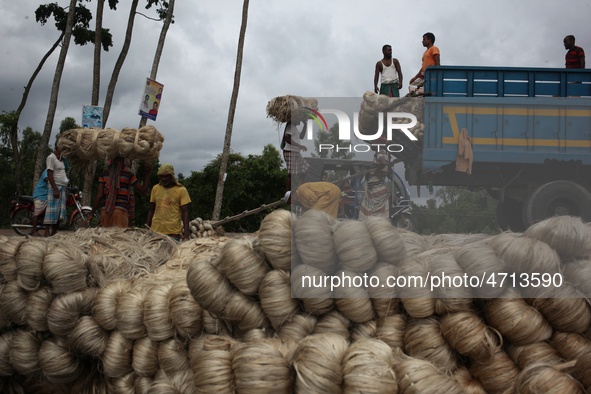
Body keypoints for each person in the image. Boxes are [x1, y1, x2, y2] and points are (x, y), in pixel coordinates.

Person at [89, 157, 152, 228]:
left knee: (105, 237)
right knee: (118, 238)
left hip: (105, 212)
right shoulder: (128, 175)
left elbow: (99, 196)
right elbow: (143, 191)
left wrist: (92, 213)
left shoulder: (104, 175)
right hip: (120, 213)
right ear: (123, 162)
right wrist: (148, 174)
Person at [146, 163, 192, 241]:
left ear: (171, 176)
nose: (163, 179)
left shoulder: (181, 190)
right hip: (155, 231)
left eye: (166, 176)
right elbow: (151, 209)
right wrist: (147, 227)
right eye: (161, 176)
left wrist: (186, 235)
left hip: (173, 233)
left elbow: (185, 212)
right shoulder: (155, 189)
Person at [358, 144, 390, 220]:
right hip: (380, 188)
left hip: (376, 189)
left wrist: (376, 172)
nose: (371, 145)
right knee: (379, 215)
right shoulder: (386, 155)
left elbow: (382, 163)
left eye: (372, 143)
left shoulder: (379, 153)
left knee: (371, 215)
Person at [44, 144, 69, 236]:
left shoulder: (62, 159)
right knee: (51, 209)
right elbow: (50, 174)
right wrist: (55, 189)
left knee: (59, 211)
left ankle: (54, 231)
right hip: (55, 186)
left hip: (62, 187)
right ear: (58, 147)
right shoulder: (51, 157)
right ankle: (47, 231)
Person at [282, 120, 310, 197]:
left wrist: (305, 125)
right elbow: (286, 139)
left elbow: (301, 136)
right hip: (289, 151)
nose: (300, 121)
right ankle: (287, 192)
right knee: (290, 173)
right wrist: (299, 146)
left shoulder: (294, 128)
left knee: (305, 168)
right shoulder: (290, 126)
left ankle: (299, 187)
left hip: (296, 152)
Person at [30, 169, 48, 237]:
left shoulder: (54, 172)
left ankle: (47, 232)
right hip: (40, 195)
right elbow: (47, 179)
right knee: (37, 213)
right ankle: (34, 231)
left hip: (47, 196)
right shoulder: (46, 171)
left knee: (48, 213)